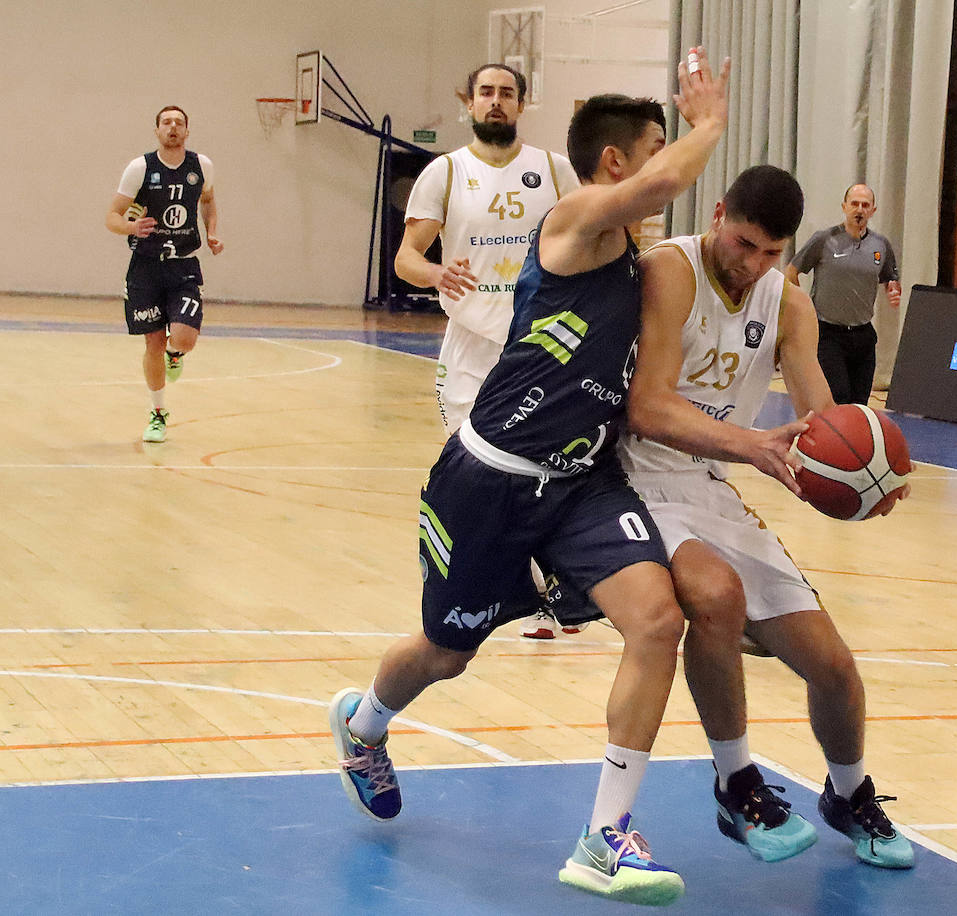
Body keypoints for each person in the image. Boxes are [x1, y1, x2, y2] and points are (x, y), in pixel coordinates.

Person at [328, 48, 737, 907]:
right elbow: (658, 191)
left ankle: (605, 836)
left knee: (658, 620)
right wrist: (709, 124)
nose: (670, 160)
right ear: (619, 162)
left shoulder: (637, 255)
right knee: (444, 654)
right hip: (490, 481)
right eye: (656, 145)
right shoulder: (577, 220)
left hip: (581, 484)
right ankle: (364, 728)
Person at [621, 165, 916, 869]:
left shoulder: (787, 303)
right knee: (716, 597)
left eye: (770, 253)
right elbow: (648, 408)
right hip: (632, 483)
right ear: (719, 215)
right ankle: (735, 781)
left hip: (712, 484)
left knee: (835, 669)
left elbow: (820, 419)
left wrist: (869, 472)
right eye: (744, 243)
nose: (753, 264)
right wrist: (751, 445)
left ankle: (847, 793)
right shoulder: (670, 273)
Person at [394, 62, 588, 641]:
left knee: (551, 464)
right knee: (475, 469)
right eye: (486, 92)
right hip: (472, 345)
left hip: (543, 342)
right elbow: (406, 257)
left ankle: (554, 589)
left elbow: (594, 235)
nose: (496, 102)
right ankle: (486, 579)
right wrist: (433, 273)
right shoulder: (445, 172)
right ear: (468, 102)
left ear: (521, 104)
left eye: (507, 93)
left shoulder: (555, 170)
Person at [105, 105, 224, 443]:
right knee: (153, 342)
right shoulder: (140, 168)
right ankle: (158, 414)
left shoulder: (202, 166)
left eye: (179, 122)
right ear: (156, 130)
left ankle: (177, 354)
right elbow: (111, 217)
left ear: (187, 131)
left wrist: (212, 230)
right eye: (166, 122)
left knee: (184, 338)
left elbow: (209, 200)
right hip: (145, 267)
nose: (173, 127)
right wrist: (131, 225)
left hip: (183, 264)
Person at [784, 183, 900, 406]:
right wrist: (802, 306)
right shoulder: (824, 240)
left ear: (873, 210)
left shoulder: (880, 245)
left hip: (863, 334)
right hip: (828, 333)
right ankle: (830, 438)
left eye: (865, 205)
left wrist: (893, 291)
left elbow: (890, 278)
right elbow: (791, 271)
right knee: (838, 395)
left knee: (859, 403)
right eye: (854, 204)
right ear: (844, 207)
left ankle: (854, 441)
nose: (859, 209)